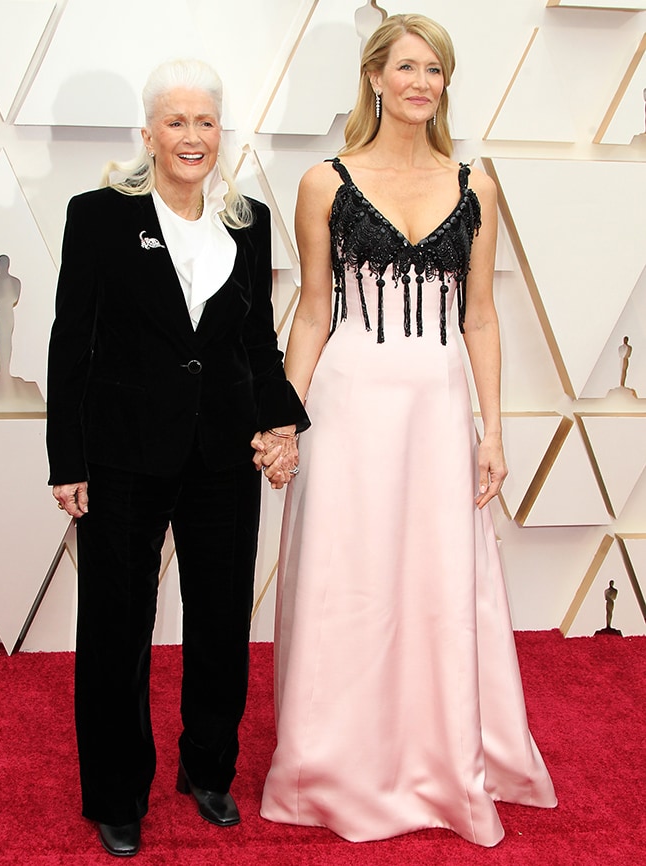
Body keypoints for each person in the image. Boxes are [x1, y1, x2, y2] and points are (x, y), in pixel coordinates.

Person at [259, 14, 557, 847]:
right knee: (347, 579)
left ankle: (439, 749)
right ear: (376, 77)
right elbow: (313, 314)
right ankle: (334, 757)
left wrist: (492, 432)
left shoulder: (478, 186)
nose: (422, 83)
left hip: (436, 410)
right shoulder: (325, 181)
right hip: (350, 407)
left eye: (436, 71)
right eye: (409, 68)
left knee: (435, 582)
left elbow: (485, 321)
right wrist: (285, 418)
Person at [47, 58, 307, 858]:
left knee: (223, 618)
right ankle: (117, 791)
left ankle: (209, 770)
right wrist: (68, 458)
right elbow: (71, 341)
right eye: (176, 121)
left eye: (205, 122)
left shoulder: (249, 217)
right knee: (116, 626)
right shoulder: (97, 215)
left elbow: (255, 338)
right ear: (148, 134)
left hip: (225, 451)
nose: (192, 137)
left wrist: (281, 423)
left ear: (219, 132)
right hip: (122, 453)